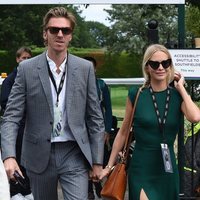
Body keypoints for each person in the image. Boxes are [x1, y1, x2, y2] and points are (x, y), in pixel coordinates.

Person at [0, 6, 105, 200]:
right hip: (38, 154)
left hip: (74, 151)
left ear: (71, 35)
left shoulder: (84, 69)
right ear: (45, 33)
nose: (59, 34)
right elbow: (11, 117)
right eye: (54, 29)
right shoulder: (26, 69)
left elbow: (95, 117)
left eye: (65, 30)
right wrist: (8, 156)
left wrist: (98, 160)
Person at [100, 44, 200, 200]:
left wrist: (181, 88)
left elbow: (195, 117)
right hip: (142, 167)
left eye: (165, 63)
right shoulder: (137, 94)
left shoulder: (177, 96)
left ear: (170, 66)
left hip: (167, 168)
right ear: (147, 67)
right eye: (155, 64)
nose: (161, 67)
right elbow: (124, 132)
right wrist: (108, 166)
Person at [1, 46, 33, 200]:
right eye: (23, 58)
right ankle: (17, 191)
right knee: (18, 159)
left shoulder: (34, 77)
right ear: (17, 59)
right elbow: (6, 103)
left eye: (28, 58)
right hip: (18, 129)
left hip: (32, 128)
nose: (25, 61)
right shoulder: (10, 80)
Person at [84, 57, 112, 199]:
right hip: (82, 130)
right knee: (84, 159)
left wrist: (107, 130)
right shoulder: (77, 84)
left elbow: (108, 109)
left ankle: (97, 184)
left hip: (98, 129)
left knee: (98, 157)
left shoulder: (101, 85)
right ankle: (89, 190)